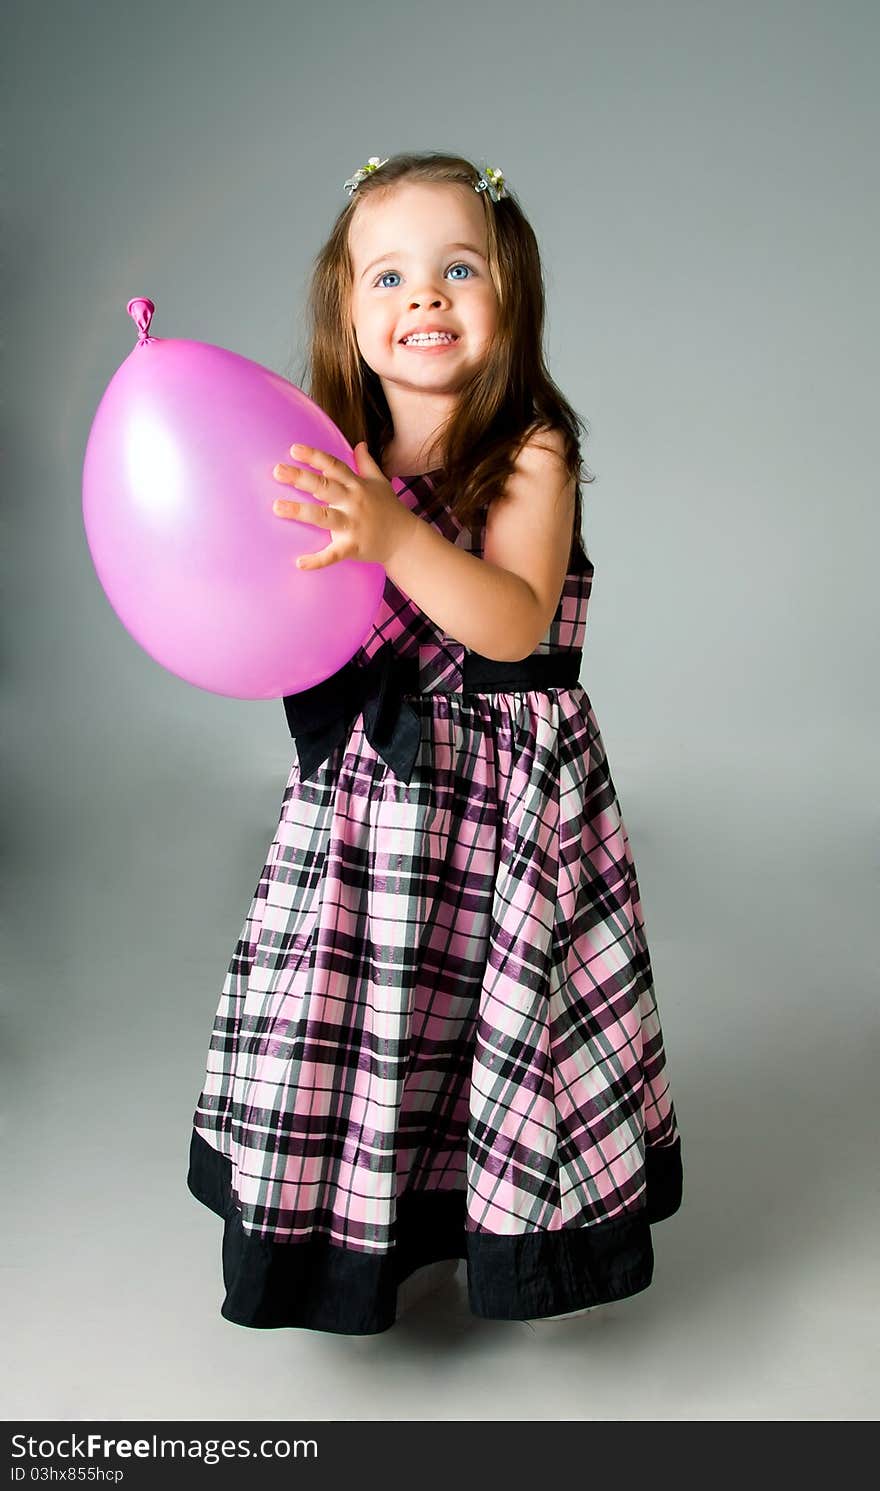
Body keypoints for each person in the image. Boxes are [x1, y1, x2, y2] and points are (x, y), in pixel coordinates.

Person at [186, 151, 684, 1336]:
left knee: (505, 1019)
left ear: (507, 294)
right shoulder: (338, 455)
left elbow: (512, 619)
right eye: (390, 277)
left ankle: (506, 1221)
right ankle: (360, 1225)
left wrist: (392, 540)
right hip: (378, 807)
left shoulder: (529, 448)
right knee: (367, 1009)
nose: (425, 299)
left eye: (458, 269)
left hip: (505, 802)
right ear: (348, 315)